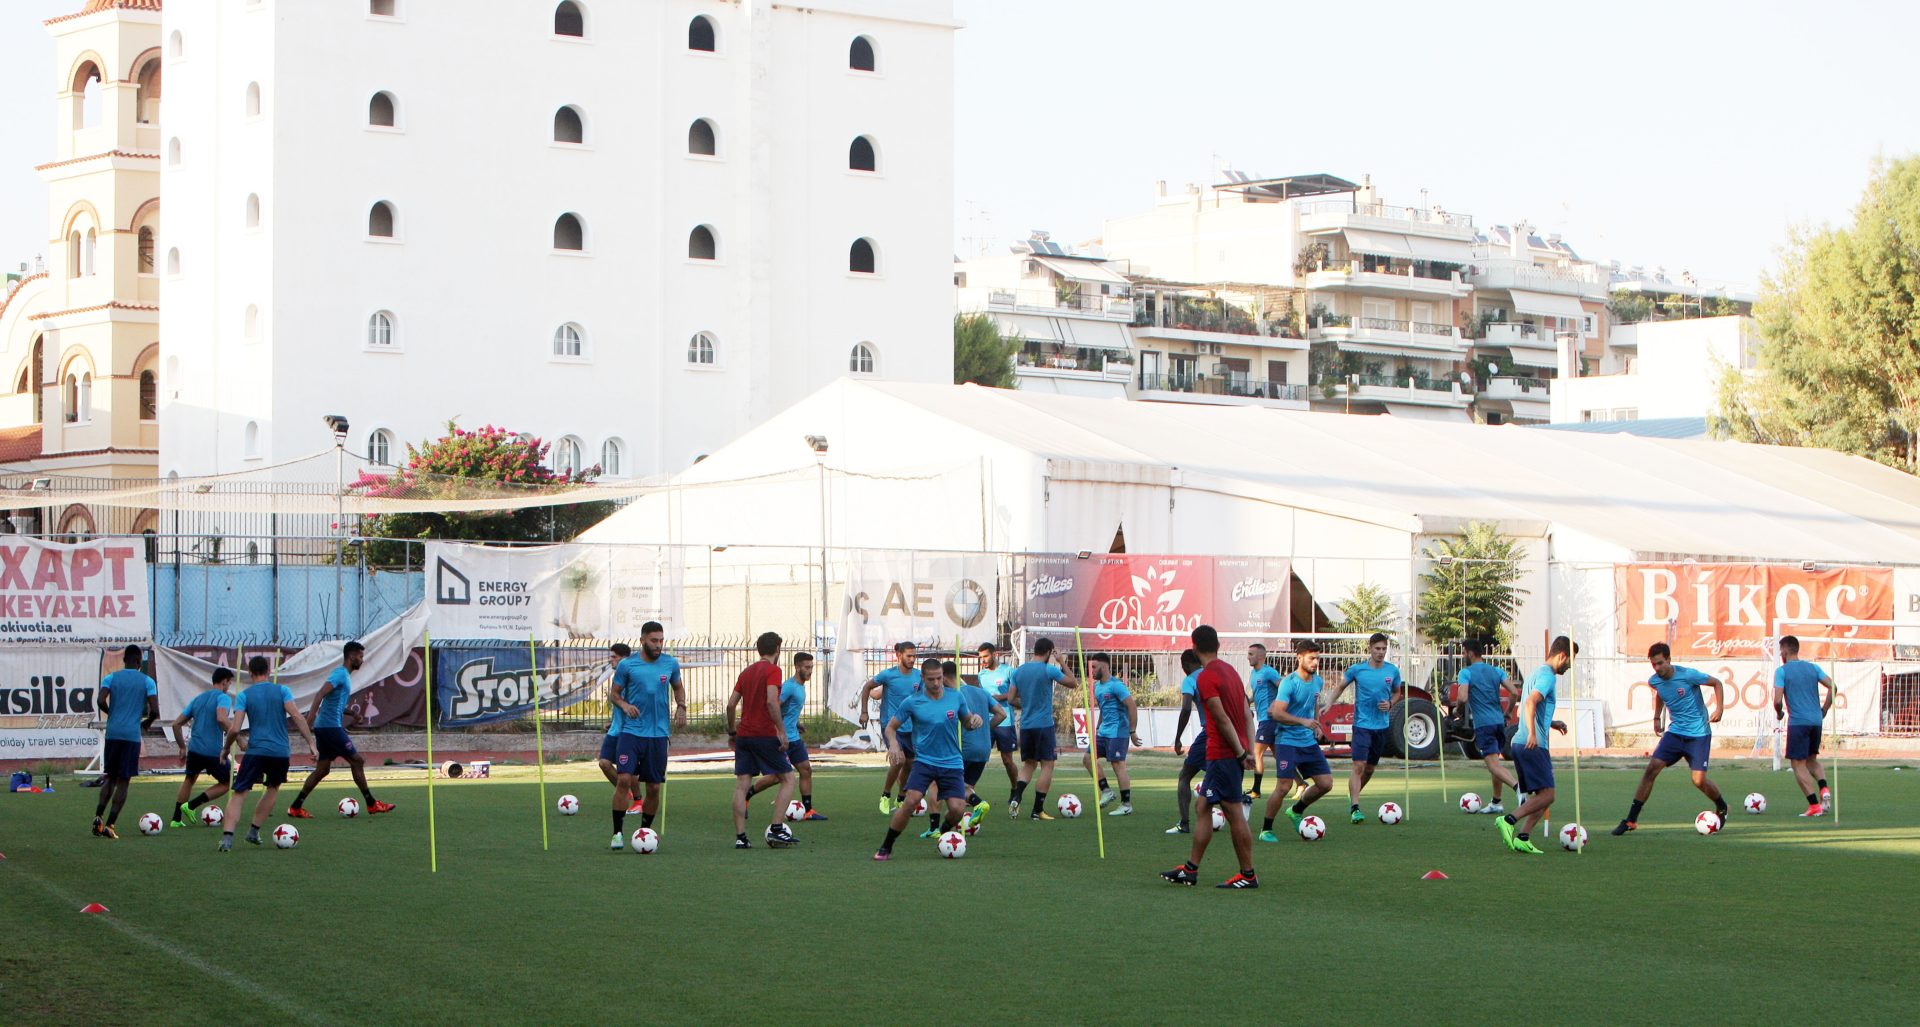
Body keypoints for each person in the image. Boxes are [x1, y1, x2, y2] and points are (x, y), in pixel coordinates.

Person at [1160, 626, 1258, 889]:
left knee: (1233, 812)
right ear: (1218, 645)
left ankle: (1248, 874)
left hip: (1223, 753)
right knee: (1202, 806)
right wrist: (1249, 749)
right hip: (1229, 752)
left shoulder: (1205, 677)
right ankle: (1190, 870)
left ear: (1194, 647)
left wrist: (1240, 753)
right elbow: (1247, 715)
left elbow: (1222, 719)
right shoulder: (1231, 672)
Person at [872, 656, 983, 861]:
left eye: (939, 678)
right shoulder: (912, 702)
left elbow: (967, 722)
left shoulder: (956, 696)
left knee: (957, 810)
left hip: (952, 762)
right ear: (922, 678)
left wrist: (975, 720)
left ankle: (943, 830)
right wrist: (894, 744)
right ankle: (886, 846)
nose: (936, 683)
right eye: (931, 679)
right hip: (925, 761)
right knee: (911, 801)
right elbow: (890, 728)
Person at [1612, 642, 1729, 836]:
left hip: (1698, 734)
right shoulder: (1654, 681)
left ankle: (1721, 805)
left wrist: (1719, 709)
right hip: (1675, 733)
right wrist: (1657, 717)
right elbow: (1661, 694)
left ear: (1669, 659)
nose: (1657, 668)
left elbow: (1717, 683)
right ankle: (1631, 820)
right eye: (1654, 664)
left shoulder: (1688, 675)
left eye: (1660, 663)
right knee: (1651, 769)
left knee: (1698, 780)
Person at [219, 656, 319, 851]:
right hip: (280, 752)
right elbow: (297, 716)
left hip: (256, 751)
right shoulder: (282, 691)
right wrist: (311, 744)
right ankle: (253, 832)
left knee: (240, 792)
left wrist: (225, 748)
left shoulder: (244, 695)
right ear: (269, 671)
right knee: (272, 788)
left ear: (250, 673)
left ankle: (227, 839)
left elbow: (235, 728)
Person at [287, 641, 393, 818]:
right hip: (330, 728)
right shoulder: (340, 674)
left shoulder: (344, 676)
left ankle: (295, 807)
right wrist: (309, 720)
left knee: (322, 770)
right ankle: (372, 804)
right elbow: (320, 694)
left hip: (325, 727)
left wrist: (353, 714)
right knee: (357, 761)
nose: (362, 660)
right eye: (360, 656)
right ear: (351, 656)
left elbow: (334, 703)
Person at [608, 621, 686, 851]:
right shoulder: (627, 665)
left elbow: (678, 687)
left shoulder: (670, 663)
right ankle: (617, 833)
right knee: (624, 779)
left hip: (658, 735)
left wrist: (681, 706)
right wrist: (624, 705)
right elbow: (614, 694)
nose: (658, 645)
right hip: (631, 732)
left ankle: (644, 831)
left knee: (653, 788)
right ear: (642, 640)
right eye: (654, 640)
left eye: (661, 640)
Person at [1497, 637, 1577, 854]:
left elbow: (1533, 707)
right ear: (1562, 656)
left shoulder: (1535, 673)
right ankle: (1508, 820)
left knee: (1543, 796)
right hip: (1532, 744)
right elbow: (1530, 702)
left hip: (1522, 743)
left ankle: (1523, 838)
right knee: (1548, 795)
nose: (1570, 666)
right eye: (1570, 660)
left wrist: (1551, 723)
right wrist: (1533, 733)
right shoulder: (1548, 676)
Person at [726, 631, 800, 850]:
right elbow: (771, 701)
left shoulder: (746, 672)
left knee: (742, 784)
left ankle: (741, 838)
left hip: (744, 735)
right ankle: (777, 828)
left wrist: (732, 732)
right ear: (777, 649)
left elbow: (731, 705)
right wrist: (782, 731)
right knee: (788, 778)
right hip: (764, 734)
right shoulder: (773, 670)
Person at [1261, 640, 1334, 842]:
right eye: (1311, 658)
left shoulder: (1318, 681)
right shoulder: (1289, 683)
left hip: (1307, 741)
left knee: (1326, 783)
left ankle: (1296, 810)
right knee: (1284, 787)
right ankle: (1266, 829)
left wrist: (1317, 725)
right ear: (1299, 658)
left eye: (1318, 658)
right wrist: (1303, 721)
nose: (1315, 662)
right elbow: (1277, 713)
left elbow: (1314, 703)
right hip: (1287, 741)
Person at [744, 651, 828, 821]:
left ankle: (808, 811)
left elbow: (786, 710)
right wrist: (778, 731)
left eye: (811, 667)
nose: (810, 671)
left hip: (794, 738)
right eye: (806, 667)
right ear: (797, 667)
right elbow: (773, 706)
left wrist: (796, 723)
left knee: (806, 770)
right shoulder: (789, 686)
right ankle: (747, 795)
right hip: (782, 739)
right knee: (777, 777)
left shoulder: (800, 686)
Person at [93, 644, 158, 839]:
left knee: (110, 777)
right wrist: (147, 723)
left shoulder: (111, 678)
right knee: (123, 781)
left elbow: (100, 701)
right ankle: (110, 824)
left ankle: (98, 817)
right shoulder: (147, 681)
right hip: (131, 735)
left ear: (123, 660)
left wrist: (112, 714)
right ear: (139, 661)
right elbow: (154, 710)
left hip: (113, 733)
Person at [1006, 637, 1074, 821]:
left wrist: (1027, 705)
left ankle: (1017, 796)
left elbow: (1011, 699)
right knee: (1047, 764)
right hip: (1044, 725)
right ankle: (1037, 810)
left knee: (1029, 764)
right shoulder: (1048, 669)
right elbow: (1072, 682)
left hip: (1026, 726)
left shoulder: (1018, 671)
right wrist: (1061, 662)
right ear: (1049, 652)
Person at [1342, 633, 1402, 824]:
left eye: (1384, 649)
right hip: (1362, 725)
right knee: (1359, 765)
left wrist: (1390, 703)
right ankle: (1355, 808)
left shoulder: (1392, 670)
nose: (1381, 652)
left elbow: (1397, 693)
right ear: (1370, 648)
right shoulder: (1358, 670)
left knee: (1369, 769)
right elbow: (1340, 686)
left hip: (1381, 726)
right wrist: (1328, 704)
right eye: (1377, 648)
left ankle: (1354, 793)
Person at [1772, 635, 1834, 816]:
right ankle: (1824, 788)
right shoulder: (1813, 668)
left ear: (1785, 651)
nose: (1780, 655)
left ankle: (1814, 806)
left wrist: (1779, 713)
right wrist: (1824, 710)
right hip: (1816, 721)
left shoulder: (1782, 671)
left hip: (1799, 723)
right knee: (1811, 760)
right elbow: (1834, 687)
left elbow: (1777, 700)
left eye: (1781, 651)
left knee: (1797, 764)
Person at [1456, 639, 1518, 815]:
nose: (1463, 656)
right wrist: (1508, 712)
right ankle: (1496, 802)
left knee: (1493, 766)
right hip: (1499, 723)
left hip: (1484, 725)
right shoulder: (1496, 671)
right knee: (1495, 763)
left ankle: (1518, 788)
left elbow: (1463, 697)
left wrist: (1458, 710)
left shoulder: (1465, 672)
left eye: (1463, 652)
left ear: (1470, 653)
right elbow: (1514, 692)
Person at [168, 666, 235, 828]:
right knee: (228, 782)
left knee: (190, 779)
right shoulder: (223, 698)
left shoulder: (198, 699)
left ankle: (176, 819)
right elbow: (221, 718)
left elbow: (176, 724)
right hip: (212, 751)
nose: (229, 686)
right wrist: (237, 735)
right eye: (229, 683)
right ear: (224, 682)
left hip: (194, 749)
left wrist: (182, 747)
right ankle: (191, 805)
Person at [858, 642, 920, 813]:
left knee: (909, 763)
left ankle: (901, 797)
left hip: (911, 727)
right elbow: (867, 687)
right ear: (899, 655)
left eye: (914, 656)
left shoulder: (919, 676)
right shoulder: (888, 674)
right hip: (890, 725)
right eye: (909, 656)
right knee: (899, 759)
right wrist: (864, 712)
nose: (912, 659)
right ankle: (885, 795)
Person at [1083, 653, 1140, 816]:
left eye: (1094, 667)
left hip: (1118, 732)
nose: (1091, 671)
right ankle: (1106, 791)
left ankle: (1126, 804)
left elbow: (1132, 706)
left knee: (1117, 765)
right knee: (1087, 759)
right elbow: (1104, 708)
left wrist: (1132, 731)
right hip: (1104, 732)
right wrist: (1098, 727)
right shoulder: (1097, 687)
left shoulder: (1117, 686)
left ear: (1104, 666)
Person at [954, 658, 1004, 831]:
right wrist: (984, 729)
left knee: (945, 782)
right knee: (965, 786)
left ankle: (939, 825)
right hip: (984, 749)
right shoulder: (982, 692)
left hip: (964, 748)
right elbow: (1002, 714)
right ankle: (974, 807)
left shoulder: (953, 695)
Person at [597, 644, 643, 815]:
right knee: (604, 763)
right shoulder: (617, 678)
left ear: (624, 659)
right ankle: (624, 791)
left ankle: (638, 801)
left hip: (630, 731)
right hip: (615, 731)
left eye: (614, 657)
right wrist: (613, 721)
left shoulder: (633, 679)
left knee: (629, 770)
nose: (611, 660)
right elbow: (619, 704)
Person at [1166, 649, 1207, 834]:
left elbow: (1186, 708)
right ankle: (1240, 811)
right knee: (1220, 775)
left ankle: (1184, 823)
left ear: (1187, 664)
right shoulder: (1214, 673)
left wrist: (1177, 738)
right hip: (1230, 732)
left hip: (1210, 733)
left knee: (1185, 776)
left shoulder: (1190, 680)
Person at [977, 643, 1020, 790]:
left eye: (986, 656)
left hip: (1005, 721)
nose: (983, 660)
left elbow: (1018, 692)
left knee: (1007, 760)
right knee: (979, 757)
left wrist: (999, 697)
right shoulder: (981, 675)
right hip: (987, 721)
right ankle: (968, 790)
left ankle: (1015, 789)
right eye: (981, 657)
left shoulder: (1008, 671)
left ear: (994, 654)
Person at [1246, 644, 1283, 800]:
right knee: (1278, 755)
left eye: (1251, 654)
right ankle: (1300, 783)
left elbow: (1283, 687)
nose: (1248, 657)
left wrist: (1274, 704)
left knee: (1257, 753)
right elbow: (1257, 694)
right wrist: (1247, 702)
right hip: (1263, 719)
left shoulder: (1269, 672)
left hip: (1269, 720)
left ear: (1260, 656)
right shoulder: (1253, 674)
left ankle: (1256, 790)